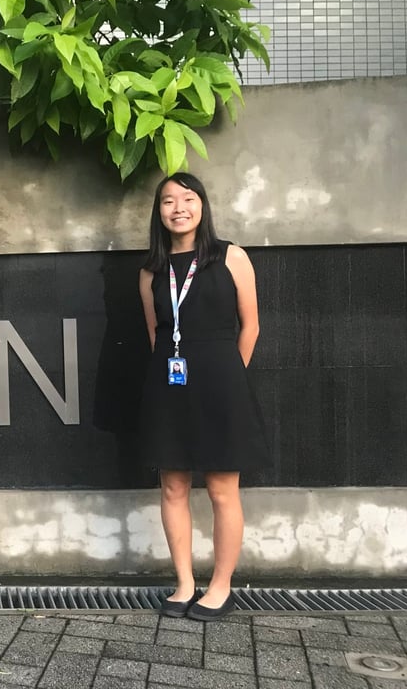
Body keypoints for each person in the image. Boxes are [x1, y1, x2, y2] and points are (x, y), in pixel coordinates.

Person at [137, 173, 268, 622]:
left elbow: (250, 326)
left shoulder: (231, 257)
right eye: (168, 201)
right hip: (170, 386)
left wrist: (230, 375)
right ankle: (184, 583)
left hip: (221, 385)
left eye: (187, 199)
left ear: (202, 205)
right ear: (158, 212)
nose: (178, 208)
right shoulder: (150, 271)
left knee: (221, 488)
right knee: (173, 485)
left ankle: (221, 586)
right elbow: (156, 333)